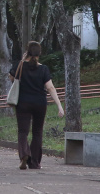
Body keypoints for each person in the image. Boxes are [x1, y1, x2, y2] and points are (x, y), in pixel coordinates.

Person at [9, 41, 64, 170]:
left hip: (22, 103)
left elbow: (11, 78)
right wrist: (59, 106)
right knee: (37, 132)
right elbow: (50, 87)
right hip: (40, 103)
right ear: (39, 54)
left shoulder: (20, 66)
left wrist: (22, 62)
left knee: (23, 131)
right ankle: (34, 163)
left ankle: (24, 155)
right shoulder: (43, 69)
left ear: (27, 52)